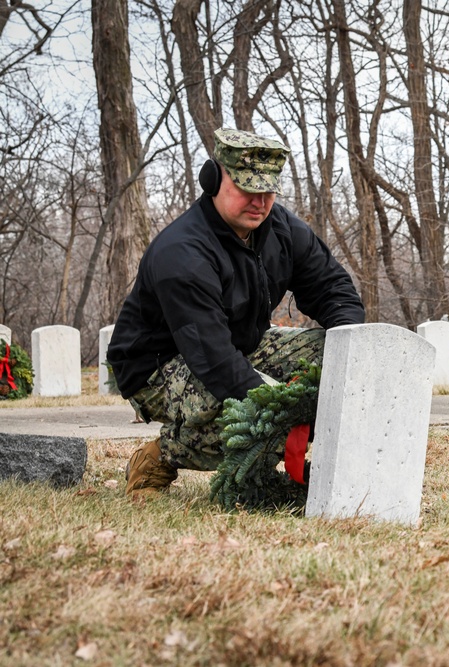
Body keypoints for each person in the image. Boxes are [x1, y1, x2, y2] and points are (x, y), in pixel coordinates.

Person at [109, 128, 365, 496]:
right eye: (247, 188)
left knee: (338, 352)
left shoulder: (279, 226)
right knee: (269, 415)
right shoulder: (183, 253)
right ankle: (159, 456)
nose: (260, 201)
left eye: (268, 190)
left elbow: (333, 288)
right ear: (212, 180)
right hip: (158, 368)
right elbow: (212, 360)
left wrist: (351, 358)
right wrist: (284, 408)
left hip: (237, 345)